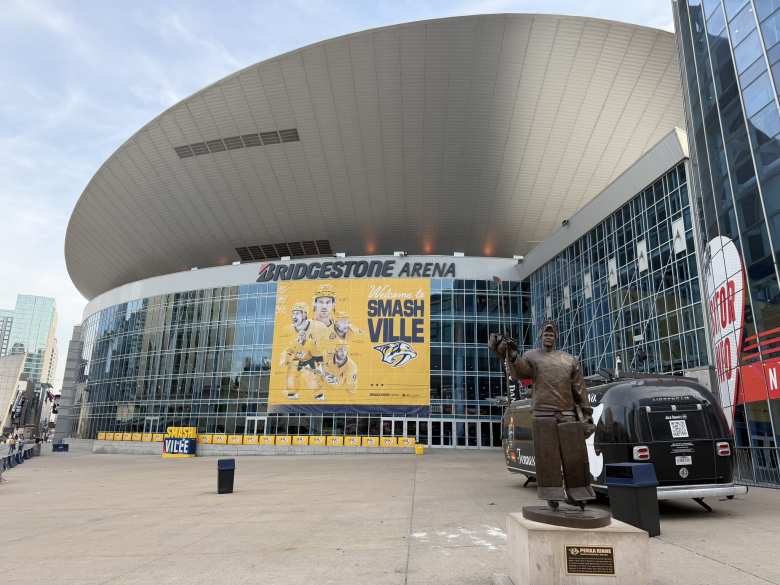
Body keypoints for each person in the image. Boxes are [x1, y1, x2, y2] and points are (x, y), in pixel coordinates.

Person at [489, 320, 595, 510]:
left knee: (575, 456)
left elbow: (580, 390)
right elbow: (520, 373)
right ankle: (551, 493)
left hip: (567, 414)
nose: (548, 335)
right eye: (546, 333)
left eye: (552, 333)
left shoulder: (569, 360)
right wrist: (512, 355)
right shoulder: (532, 356)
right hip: (543, 413)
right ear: (540, 336)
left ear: (556, 336)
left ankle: (578, 493)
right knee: (548, 457)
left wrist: (586, 416)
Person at [281, 302, 328, 400]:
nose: (294, 316)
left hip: (309, 359)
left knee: (311, 375)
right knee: (291, 374)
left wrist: (320, 362)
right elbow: (288, 350)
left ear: (305, 314)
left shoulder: (318, 327)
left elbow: (319, 349)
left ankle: (318, 394)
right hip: (296, 360)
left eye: (297, 313)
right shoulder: (288, 331)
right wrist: (285, 359)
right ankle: (292, 392)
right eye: (293, 313)